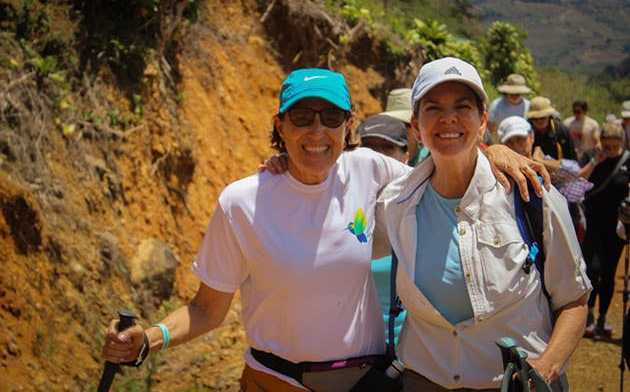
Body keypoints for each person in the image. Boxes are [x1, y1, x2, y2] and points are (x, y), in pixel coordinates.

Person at [103, 68, 547, 392]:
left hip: (366, 383)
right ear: (280, 125)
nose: (317, 131)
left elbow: (447, 161)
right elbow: (207, 310)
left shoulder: (372, 170)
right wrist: (151, 339)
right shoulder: (241, 202)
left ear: (348, 125)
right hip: (275, 381)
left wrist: (493, 153)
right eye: (301, 117)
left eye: (331, 117)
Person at [376, 57, 591, 390]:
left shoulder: (531, 196)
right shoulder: (394, 202)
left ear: (482, 122)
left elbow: (574, 300)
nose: (448, 118)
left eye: (463, 107)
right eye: (433, 108)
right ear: (416, 126)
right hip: (425, 380)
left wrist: (545, 369)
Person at [498, 116, 594, 243]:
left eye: (520, 139)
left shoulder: (546, 164)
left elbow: (575, 173)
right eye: (509, 142)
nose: (516, 146)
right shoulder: (500, 177)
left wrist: (540, 161)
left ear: (532, 137)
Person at [357, 114, 409, 346]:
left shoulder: (424, 199)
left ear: (406, 157)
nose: (375, 157)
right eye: (368, 147)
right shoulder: (333, 201)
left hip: (409, 358)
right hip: (350, 357)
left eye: (387, 148)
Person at [580, 122, 630, 338]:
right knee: (593, 269)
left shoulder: (627, 160)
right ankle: (589, 314)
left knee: (609, 273)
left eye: (613, 147)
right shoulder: (592, 155)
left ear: (621, 143)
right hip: (592, 222)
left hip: (617, 227)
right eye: (606, 146)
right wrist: (594, 161)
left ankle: (602, 318)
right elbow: (578, 181)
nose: (609, 151)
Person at [380, 88, 430, 166]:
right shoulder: (379, 156)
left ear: (416, 126)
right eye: (395, 123)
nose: (401, 129)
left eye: (406, 124)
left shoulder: (431, 158)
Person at [527, 96, 577, 162]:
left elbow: (572, 158)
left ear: (549, 116)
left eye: (543, 117)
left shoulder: (561, 131)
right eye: (535, 118)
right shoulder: (526, 133)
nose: (539, 121)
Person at [487, 73, 531, 140]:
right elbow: (489, 128)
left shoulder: (529, 106)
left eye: (517, 94)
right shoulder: (496, 105)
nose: (514, 96)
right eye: (512, 93)